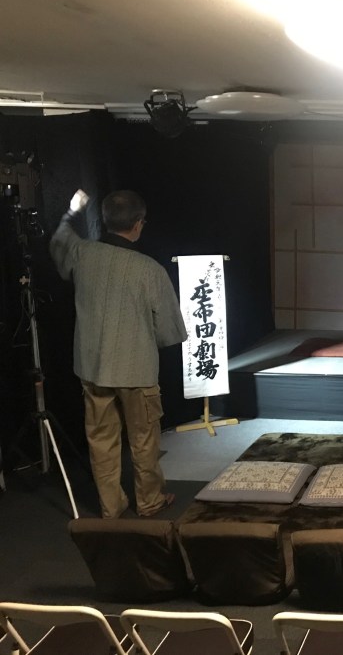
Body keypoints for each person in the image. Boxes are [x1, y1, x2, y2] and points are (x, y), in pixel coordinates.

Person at [50, 189, 187, 518]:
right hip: (136, 369)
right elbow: (170, 331)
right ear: (138, 224)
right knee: (144, 439)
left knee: (101, 441)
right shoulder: (149, 269)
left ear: (105, 220)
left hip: (92, 366)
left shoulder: (83, 253)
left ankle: (111, 505)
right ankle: (149, 500)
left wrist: (72, 210)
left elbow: (58, 241)